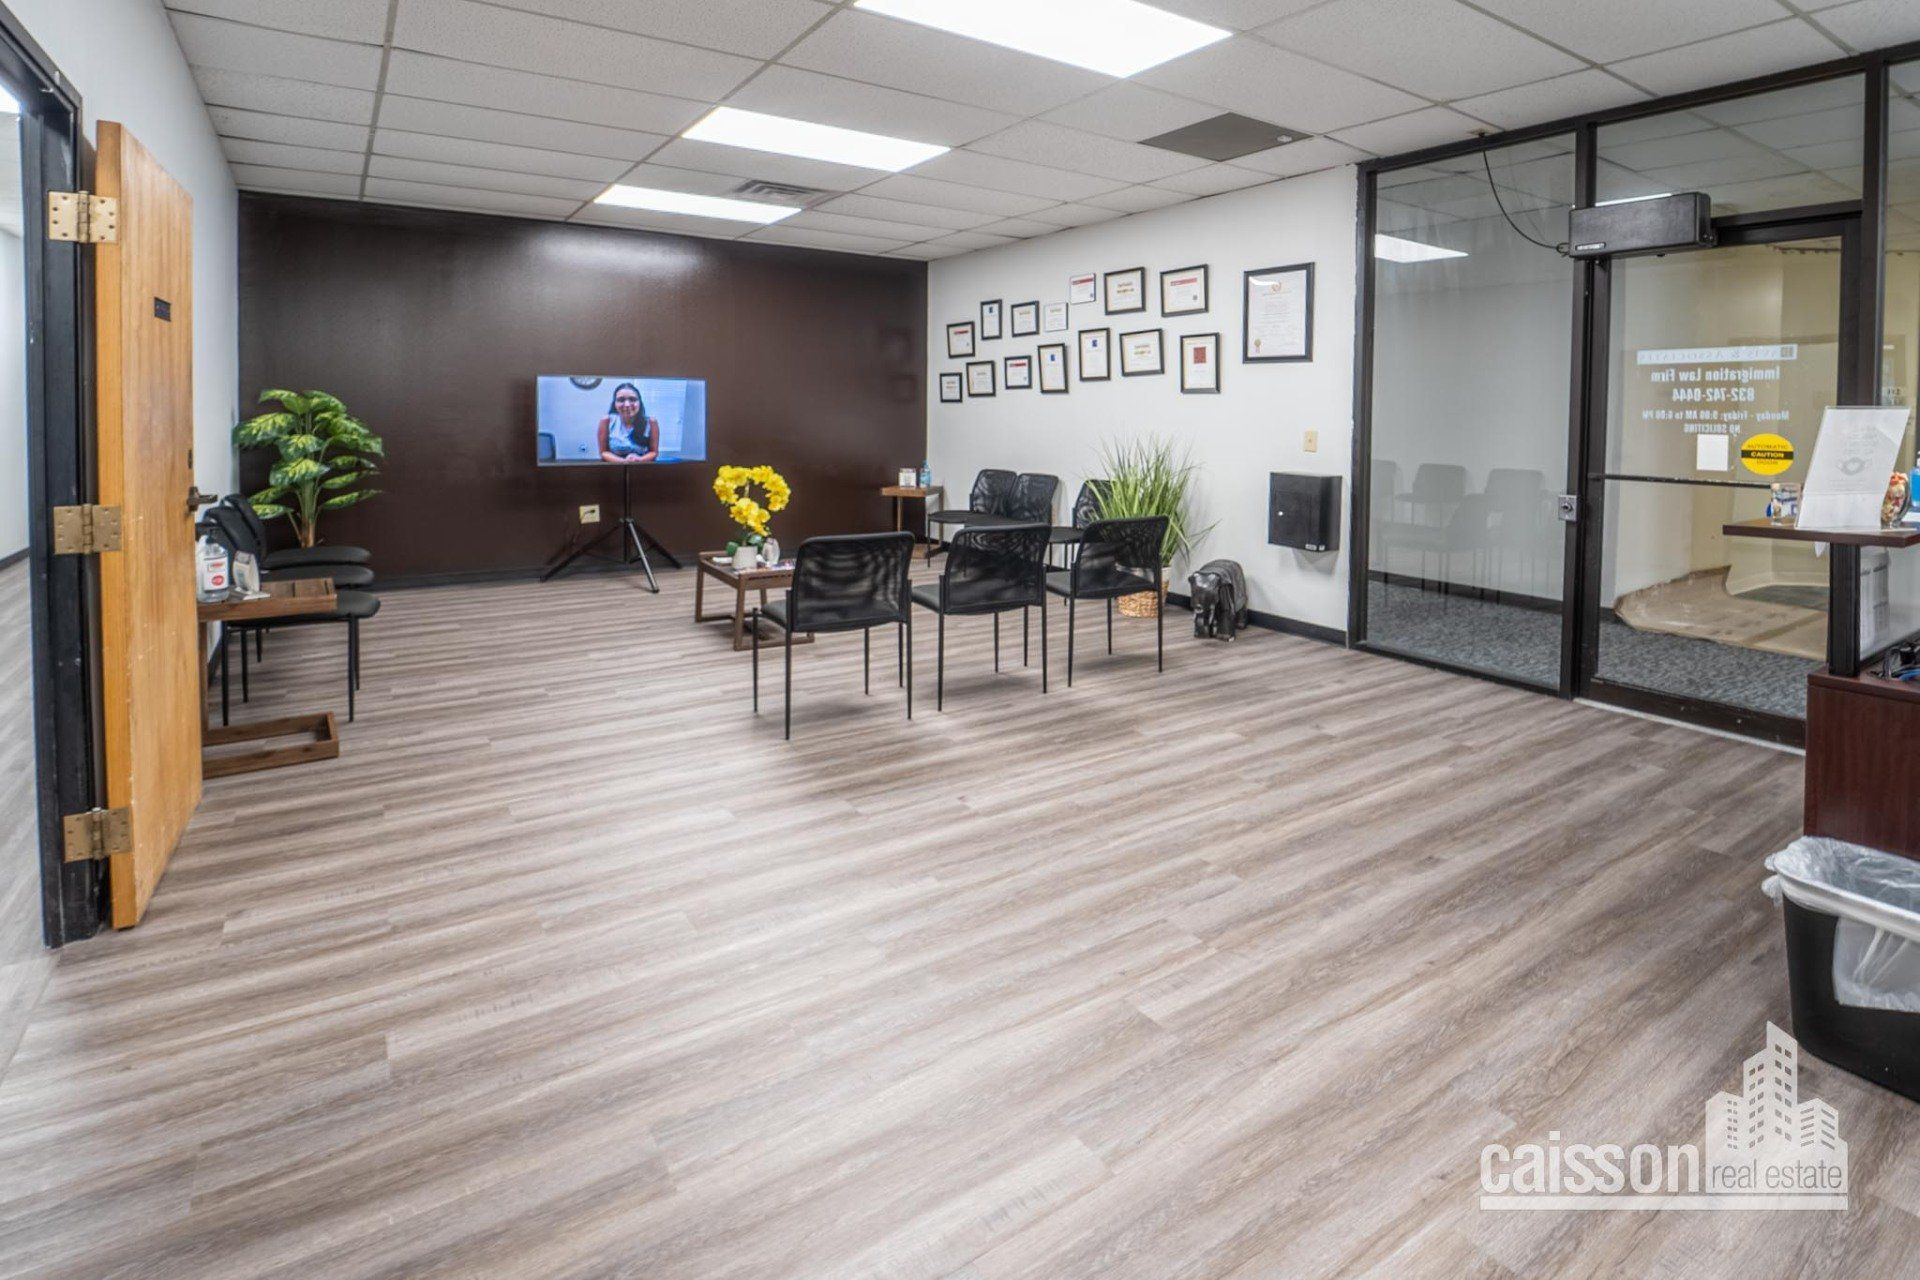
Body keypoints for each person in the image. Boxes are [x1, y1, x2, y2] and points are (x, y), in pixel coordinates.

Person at [596, 382, 658, 463]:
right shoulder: (607, 421)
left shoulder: (651, 422)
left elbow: (654, 452)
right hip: (615, 468)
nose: (627, 404)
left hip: (641, 468)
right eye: (621, 400)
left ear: (640, 402)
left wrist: (639, 460)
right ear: (615, 403)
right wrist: (623, 461)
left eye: (632, 399)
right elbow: (603, 452)